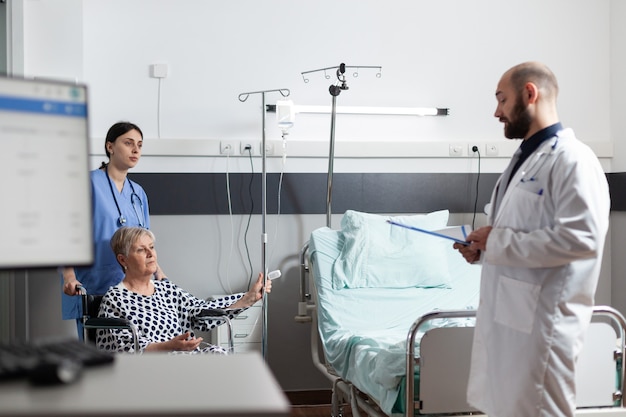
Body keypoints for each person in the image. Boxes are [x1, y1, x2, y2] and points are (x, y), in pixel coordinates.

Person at [453, 62, 610, 417]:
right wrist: (482, 251)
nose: (497, 112)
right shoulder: (523, 161)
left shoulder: (573, 160)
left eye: (502, 99)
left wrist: (498, 242)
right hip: (511, 318)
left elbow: (581, 239)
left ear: (529, 94)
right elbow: (514, 230)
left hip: (544, 323)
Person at [61, 122, 165, 339]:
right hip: (93, 285)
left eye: (139, 145)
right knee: (101, 356)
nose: (136, 150)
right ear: (110, 146)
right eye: (128, 143)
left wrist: (157, 271)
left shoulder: (138, 193)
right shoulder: (86, 183)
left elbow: (144, 240)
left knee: (137, 351)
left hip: (133, 289)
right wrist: (69, 277)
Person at [96, 226, 270, 354]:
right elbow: (126, 350)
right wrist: (170, 346)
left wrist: (248, 298)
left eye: (152, 247)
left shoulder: (166, 289)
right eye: (141, 250)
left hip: (183, 359)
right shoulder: (115, 299)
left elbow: (201, 312)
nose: (150, 253)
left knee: (219, 355)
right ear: (123, 260)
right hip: (149, 369)